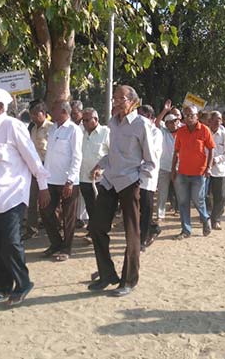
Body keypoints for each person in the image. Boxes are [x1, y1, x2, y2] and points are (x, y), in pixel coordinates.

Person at [0, 86, 50, 306]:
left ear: (0, 107)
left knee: (11, 243)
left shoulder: (12, 126)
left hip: (12, 195)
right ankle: (1, 288)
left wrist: (43, 185)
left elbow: (32, 158)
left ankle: (23, 283)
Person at [88, 85, 155, 296]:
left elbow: (150, 161)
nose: (115, 101)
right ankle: (107, 275)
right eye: (114, 97)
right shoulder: (113, 124)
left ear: (133, 101)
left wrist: (136, 180)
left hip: (129, 183)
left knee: (131, 232)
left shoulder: (142, 125)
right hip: (109, 181)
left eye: (121, 98)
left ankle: (129, 280)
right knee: (97, 227)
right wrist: (100, 164)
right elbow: (113, 153)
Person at [41, 101, 83, 262]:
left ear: (64, 111)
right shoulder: (52, 129)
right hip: (50, 179)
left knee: (68, 217)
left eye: (54, 109)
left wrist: (70, 181)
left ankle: (66, 248)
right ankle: (56, 243)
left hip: (68, 181)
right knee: (45, 211)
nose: (51, 112)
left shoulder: (74, 130)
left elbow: (77, 156)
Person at [171, 104, 215, 239]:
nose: (189, 118)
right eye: (186, 116)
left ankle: (205, 218)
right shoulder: (181, 132)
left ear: (197, 116)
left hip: (199, 173)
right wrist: (173, 169)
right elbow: (176, 151)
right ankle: (186, 230)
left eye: (191, 115)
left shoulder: (204, 130)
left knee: (198, 200)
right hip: (182, 172)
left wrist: (208, 167)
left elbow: (211, 149)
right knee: (183, 202)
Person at [23, 100, 54, 240]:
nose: (34, 117)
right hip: (34, 167)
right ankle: (31, 229)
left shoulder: (52, 128)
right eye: (32, 115)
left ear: (44, 114)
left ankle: (53, 227)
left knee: (49, 200)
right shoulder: (32, 128)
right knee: (32, 198)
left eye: (36, 114)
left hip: (48, 167)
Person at [79, 108, 110, 244]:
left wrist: (101, 170)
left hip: (100, 179)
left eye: (87, 120)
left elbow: (112, 154)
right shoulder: (80, 133)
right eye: (83, 120)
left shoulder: (106, 133)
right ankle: (93, 231)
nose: (84, 123)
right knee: (90, 206)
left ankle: (96, 233)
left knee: (100, 207)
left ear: (95, 120)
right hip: (84, 178)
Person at [136, 105, 162, 251]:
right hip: (132, 175)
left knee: (145, 208)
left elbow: (151, 154)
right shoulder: (134, 130)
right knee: (136, 208)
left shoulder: (156, 133)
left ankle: (143, 240)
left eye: (143, 116)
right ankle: (153, 228)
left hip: (147, 176)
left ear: (151, 118)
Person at [206, 111, 225, 230]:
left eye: (220, 120)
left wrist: (217, 159)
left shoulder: (224, 135)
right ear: (209, 121)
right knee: (204, 196)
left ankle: (216, 219)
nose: (218, 122)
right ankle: (206, 218)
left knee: (220, 196)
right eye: (216, 119)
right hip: (204, 170)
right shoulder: (204, 133)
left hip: (219, 171)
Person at [155, 112, 180, 225]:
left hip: (179, 167)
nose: (173, 124)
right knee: (162, 192)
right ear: (166, 124)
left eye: (174, 121)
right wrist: (165, 110)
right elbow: (156, 123)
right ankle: (160, 215)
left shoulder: (183, 131)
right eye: (170, 122)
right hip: (164, 166)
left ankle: (181, 212)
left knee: (181, 192)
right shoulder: (163, 132)